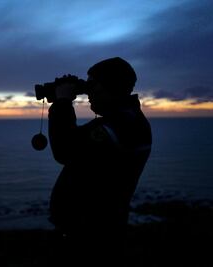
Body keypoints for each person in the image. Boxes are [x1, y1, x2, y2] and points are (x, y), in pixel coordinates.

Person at [47, 57, 152, 266]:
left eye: (92, 85)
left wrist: (63, 102)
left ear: (109, 86)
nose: (88, 94)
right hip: (98, 230)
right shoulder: (124, 120)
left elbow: (64, 150)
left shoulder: (120, 126)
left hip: (92, 237)